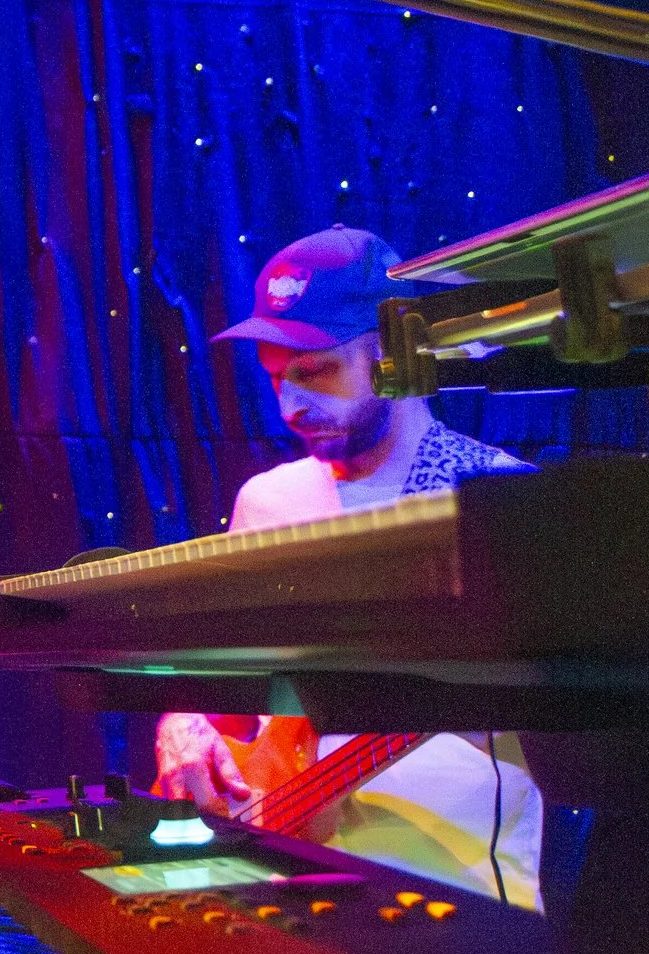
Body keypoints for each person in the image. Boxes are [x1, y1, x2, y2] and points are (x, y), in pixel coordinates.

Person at [152, 226, 545, 907]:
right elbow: (227, 694)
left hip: (454, 901)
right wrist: (181, 725)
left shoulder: (502, 499)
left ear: (393, 351)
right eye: (276, 377)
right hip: (283, 888)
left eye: (315, 371)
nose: (289, 407)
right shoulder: (267, 501)